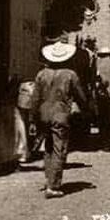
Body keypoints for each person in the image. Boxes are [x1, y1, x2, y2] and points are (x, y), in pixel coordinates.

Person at [30, 40, 88, 199]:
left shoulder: (41, 74)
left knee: (48, 146)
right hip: (60, 114)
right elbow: (81, 96)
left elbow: (34, 98)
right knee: (59, 148)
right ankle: (53, 186)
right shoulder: (70, 74)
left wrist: (32, 118)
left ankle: (48, 179)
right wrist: (85, 110)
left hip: (43, 113)